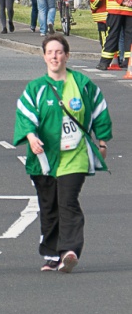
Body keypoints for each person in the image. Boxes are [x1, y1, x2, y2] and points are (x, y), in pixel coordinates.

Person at [15, 34, 111, 272]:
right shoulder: (35, 88)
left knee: (67, 201)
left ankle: (69, 251)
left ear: (67, 56)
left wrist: (102, 142)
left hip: (74, 155)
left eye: (59, 52)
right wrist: (30, 137)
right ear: (44, 57)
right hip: (45, 158)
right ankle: (52, 254)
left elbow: (99, 110)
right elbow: (25, 115)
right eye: (50, 52)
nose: (55, 56)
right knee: (49, 206)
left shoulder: (82, 84)